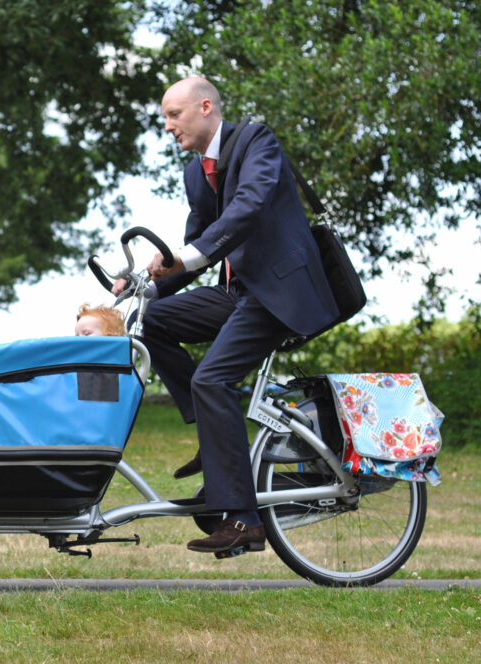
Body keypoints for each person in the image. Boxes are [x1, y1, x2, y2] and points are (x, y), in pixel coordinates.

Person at [113, 76, 339, 556]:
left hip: (279, 293)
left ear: (206, 106)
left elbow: (247, 208)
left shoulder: (257, 141)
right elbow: (195, 248)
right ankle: (212, 431)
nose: (168, 126)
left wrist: (186, 256)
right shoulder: (197, 173)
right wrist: (147, 287)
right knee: (153, 322)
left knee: (212, 380)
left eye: (174, 115)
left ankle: (243, 521)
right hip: (239, 293)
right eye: (165, 118)